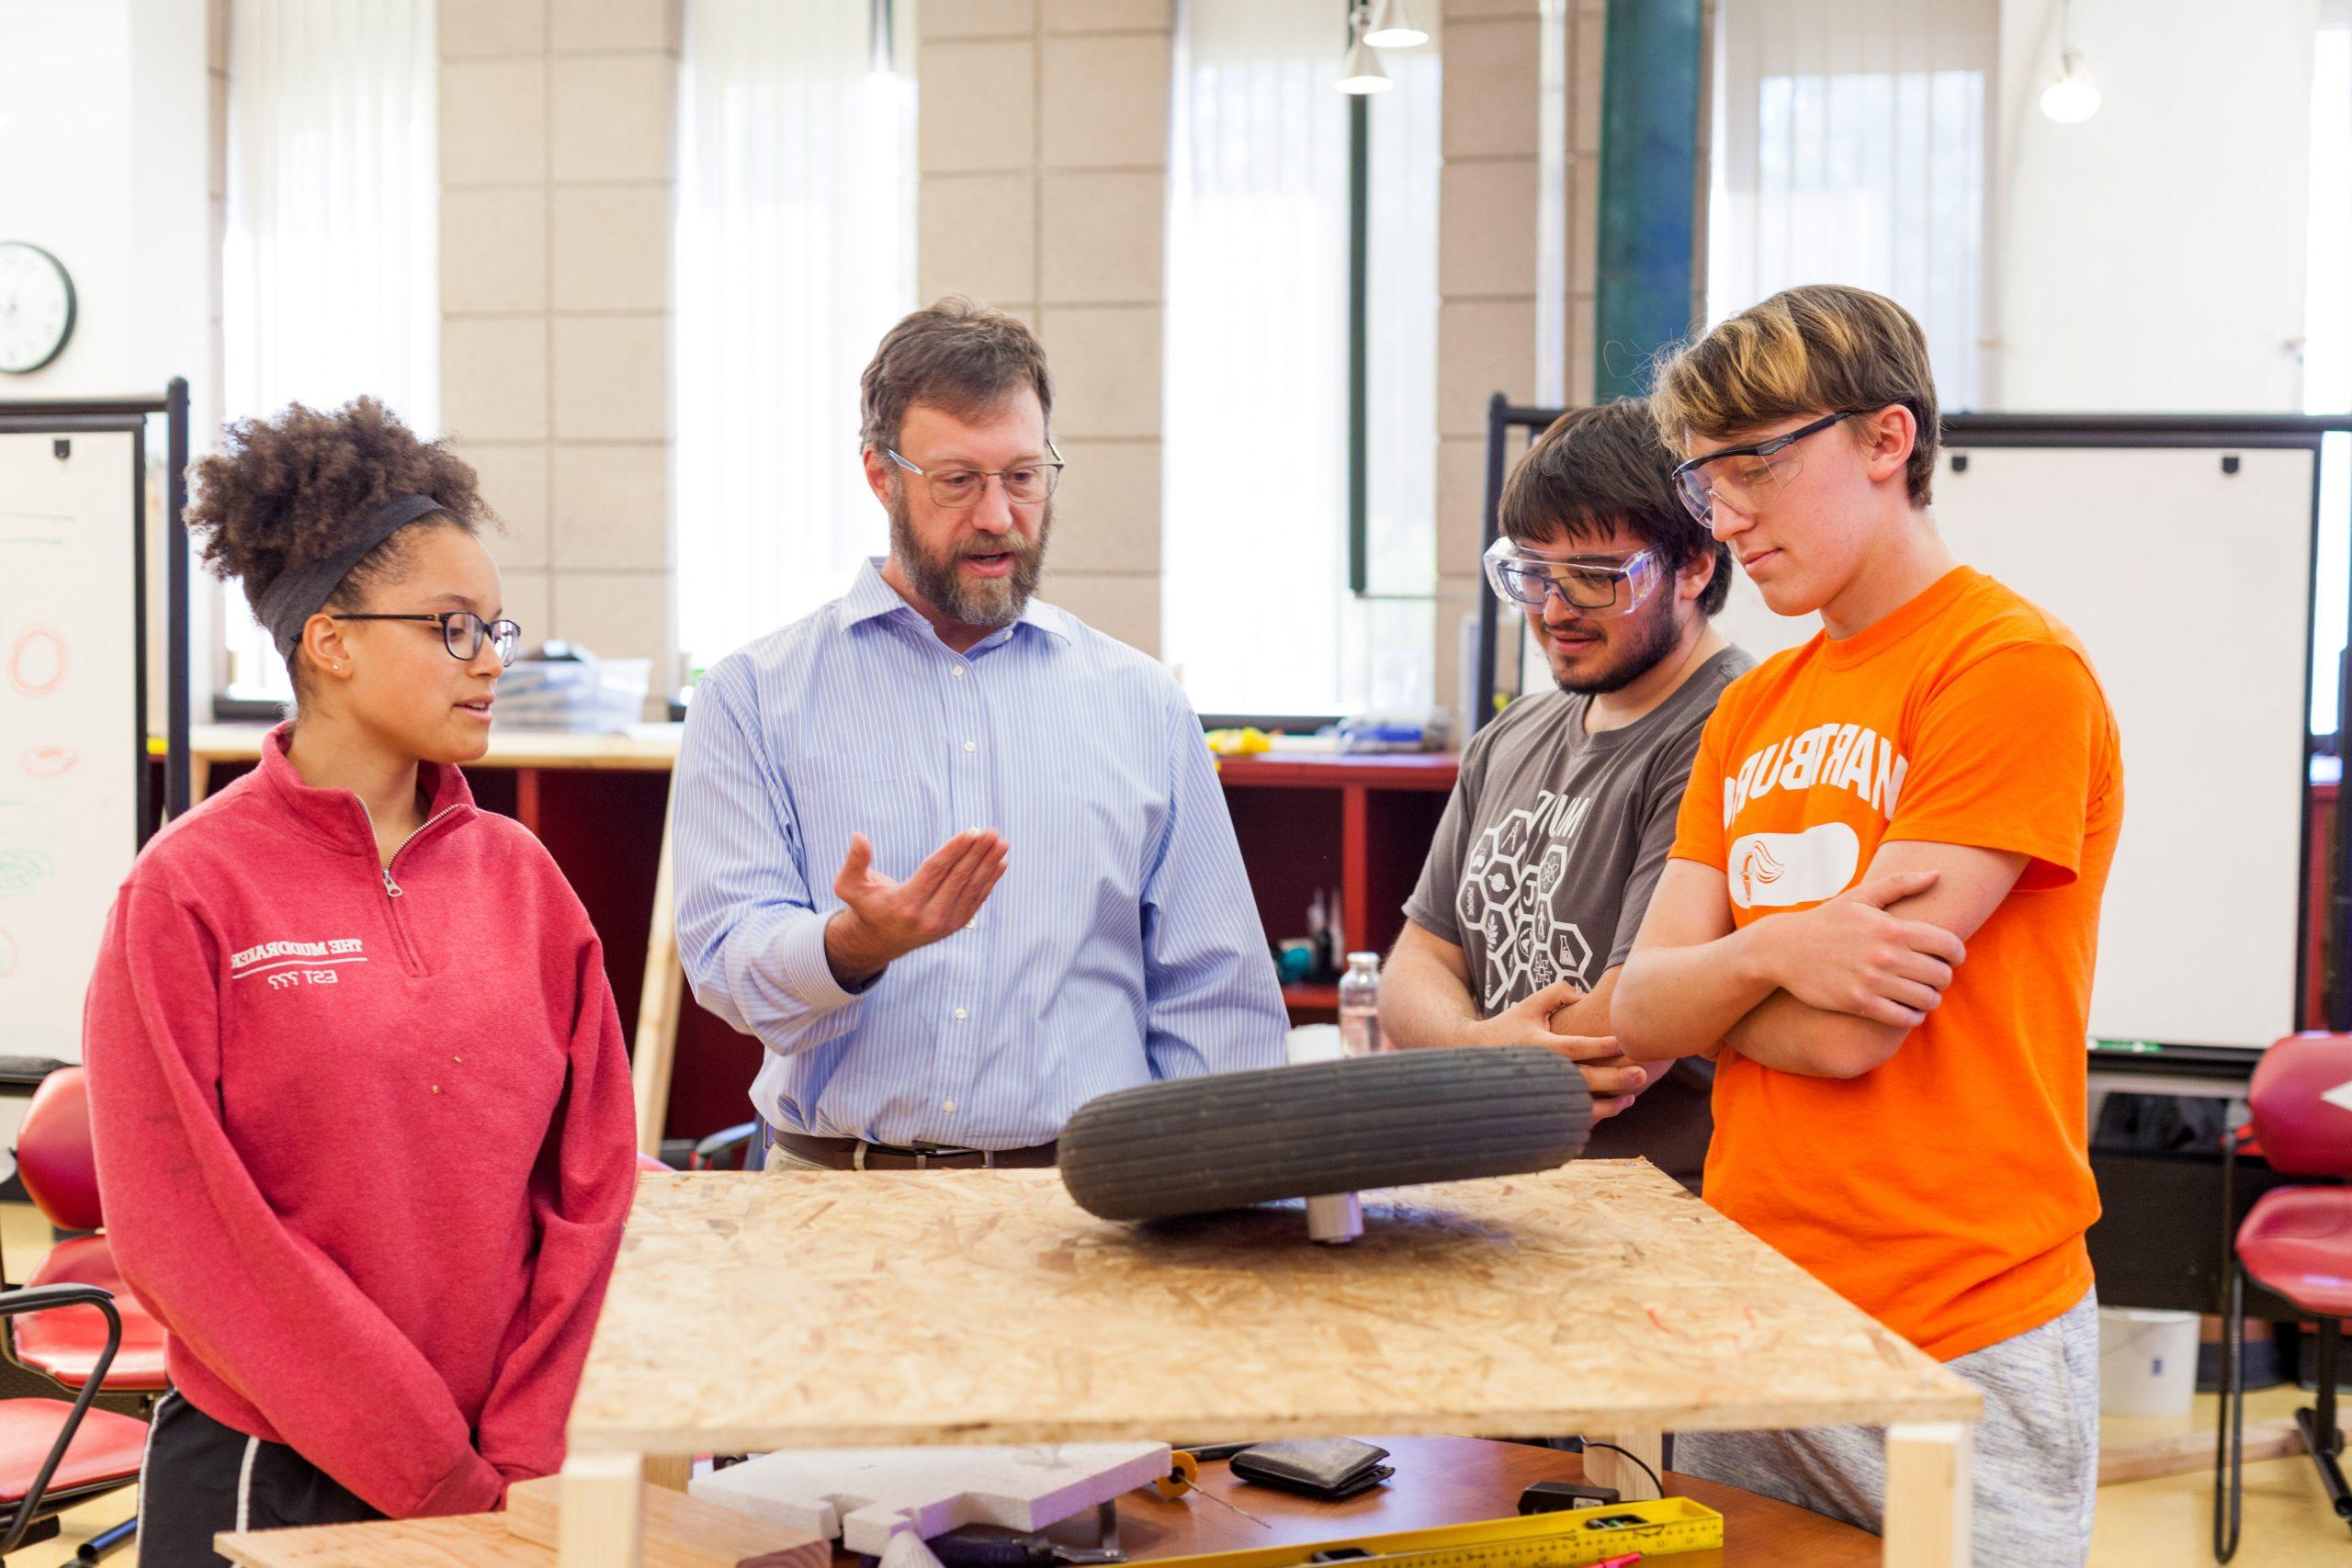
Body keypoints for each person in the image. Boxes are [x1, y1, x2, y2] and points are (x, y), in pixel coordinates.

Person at [1611, 284, 2121, 1564]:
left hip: (1960, 1321)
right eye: (1700, 478)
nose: (1723, 513)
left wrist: (1710, 991)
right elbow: (1634, 1006)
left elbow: (1850, 1037)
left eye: (1752, 464)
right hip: (1760, 1305)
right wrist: (1783, 946)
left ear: (1887, 439)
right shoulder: (1752, 705)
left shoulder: (2006, 669)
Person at [83, 399, 638, 1562]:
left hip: (507, 1474)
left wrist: (522, 1451)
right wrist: (424, 1461)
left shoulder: (525, 883)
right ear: (329, 642)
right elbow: (186, 1233)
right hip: (265, 1472)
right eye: (452, 628)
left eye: (497, 627)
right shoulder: (187, 891)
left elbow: (592, 1192)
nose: (492, 660)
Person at [674, 298, 1286, 1170]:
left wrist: (1224, 1206)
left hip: (1080, 1206)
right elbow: (728, 966)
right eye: (958, 480)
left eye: (1024, 476)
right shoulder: (754, 697)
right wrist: (853, 947)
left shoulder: (1141, 703)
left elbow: (1216, 996)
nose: (998, 515)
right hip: (833, 1210)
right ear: (882, 478)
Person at [1380, 399, 1751, 1190]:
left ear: (1695, 564)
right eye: (1533, 573)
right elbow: (1413, 965)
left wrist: (1457, 1055)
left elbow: (1631, 1029)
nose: (1552, 611)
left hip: (1660, 1210)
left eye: (1594, 579)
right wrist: (1484, 1052)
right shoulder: (1510, 737)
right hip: (1499, 1186)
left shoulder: (1733, 726)